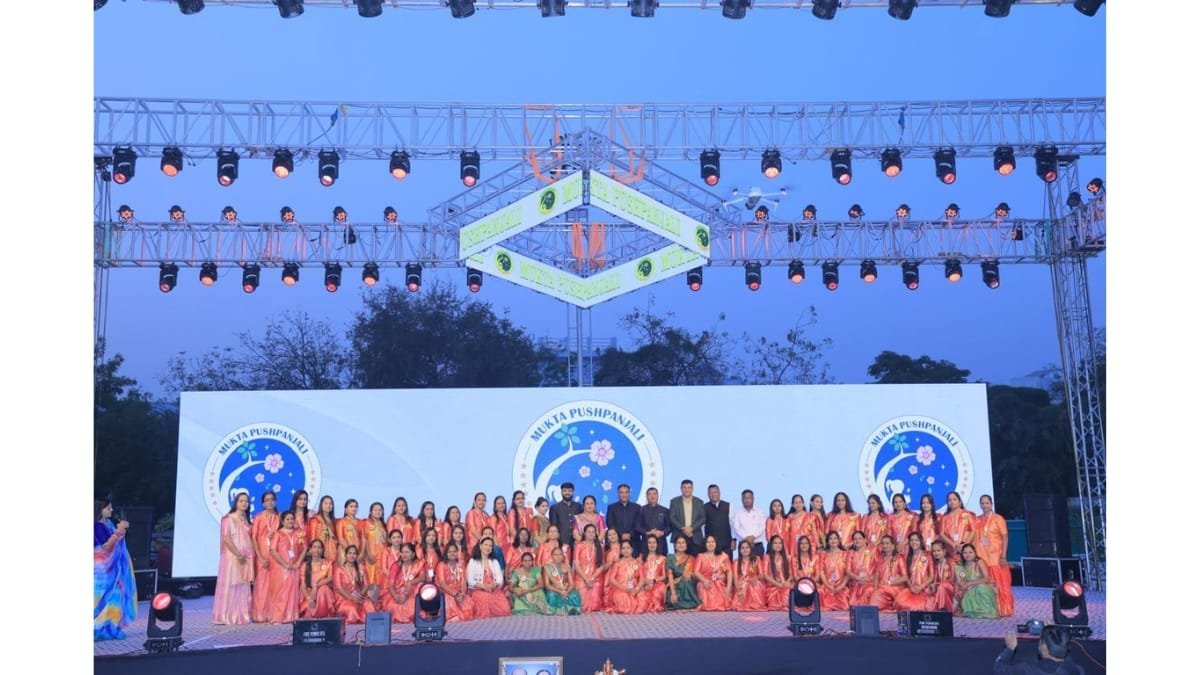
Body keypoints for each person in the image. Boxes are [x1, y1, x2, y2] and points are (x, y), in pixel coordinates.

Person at [94, 499, 136, 640]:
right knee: (102, 596)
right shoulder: (97, 526)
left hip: (114, 569)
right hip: (102, 569)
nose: (111, 510)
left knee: (116, 595)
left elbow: (117, 541)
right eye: (108, 508)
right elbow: (106, 547)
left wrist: (121, 530)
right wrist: (118, 531)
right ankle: (98, 627)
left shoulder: (109, 524)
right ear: (100, 510)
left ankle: (110, 626)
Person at [213, 493, 255, 625]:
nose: (244, 503)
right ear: (236, 503)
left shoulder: (246, 520)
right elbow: (226, 539)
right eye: (241, 501)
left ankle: (241, 615)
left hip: (245, 557)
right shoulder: (229, 519)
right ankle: (227, 615)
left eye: (246, 501)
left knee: (243, 584)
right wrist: (238, 554)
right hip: (232, 557)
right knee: (231, 584)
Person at [976, 494, 1015, 617]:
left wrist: (1003, 556)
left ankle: (1003, 609)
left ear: (991, 504)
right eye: (982, 503)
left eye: (987, 503)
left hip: (996, 557)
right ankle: (987, 608)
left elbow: (1005, 537)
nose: (984, 505)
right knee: (985, 584)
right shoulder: (977, 519)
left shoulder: (998, 519)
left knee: (1000, 584)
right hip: (982, 557)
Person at [993, 627, 1085, 675]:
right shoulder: (1078, 670)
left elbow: (999, 669)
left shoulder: (1026, 669)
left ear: (1044, 648)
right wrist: (1056, 638)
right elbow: (1067, 660)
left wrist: (1009, 649)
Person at [267, 511, 305, 623]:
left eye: (292, 519)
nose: (290, 521)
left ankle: (291, 616)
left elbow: (305, 548)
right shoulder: (278, 534)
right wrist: (285, 564)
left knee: (293, 592)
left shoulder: (299, 533)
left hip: (295, 566)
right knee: (280, 592)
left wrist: (298, 562)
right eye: (287, 519)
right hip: (281, 568)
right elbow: (273, 551)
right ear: (282, 521)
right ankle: (278, 617)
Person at [466, 537, 511, 618]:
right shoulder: (473, 561)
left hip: (493, 589)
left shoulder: (495, 561)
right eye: (486, 545)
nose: (488, 547)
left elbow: (500, 579)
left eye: (490, 546)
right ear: (480, 546)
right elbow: (470, 580)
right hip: (479, 589)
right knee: (485, 599)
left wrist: (494, 585)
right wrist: (483, 586)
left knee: (505, 608)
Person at [333, 545, 378, 624]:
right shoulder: (339, 570)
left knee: (370, 607)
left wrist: (360, 595)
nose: (352, 555)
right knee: (352, 610)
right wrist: (352, 598)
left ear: (357, 556)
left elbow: (366, 585)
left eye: (354, 553)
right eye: (349, 553)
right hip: (345, 598)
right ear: (345, 555)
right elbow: (339, 589)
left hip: (359, 596)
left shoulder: (361, 568)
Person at [895, 533, 937, 612]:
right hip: (912, 589)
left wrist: (921, 587)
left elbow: (932, 576)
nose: (914, 542)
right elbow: (906, 576)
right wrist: (911, 587)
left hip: (924, 589)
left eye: (916, 540)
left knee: (918, 608)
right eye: (912, 540)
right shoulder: (908, 557)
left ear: (921, 541)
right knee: (901, 604)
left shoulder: (927, 555)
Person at [955, 543, 999, 618]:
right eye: (965, 552)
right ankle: (972, 611)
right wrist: (965, 585)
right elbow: (961, 580)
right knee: (963, 593)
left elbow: (987, 578)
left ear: (975, 553)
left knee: (981, 588)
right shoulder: (960, 565)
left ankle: (987, 612)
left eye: (970, 552)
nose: (967, 555)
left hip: (982, 585)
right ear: (962, 554)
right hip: (968, 589)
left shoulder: (979, 562)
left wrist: (971, 583)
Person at [434, 543, 474, 622]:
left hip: (459, 593)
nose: (452, 553)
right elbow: (442, 584)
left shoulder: (460, 564)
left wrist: (463, 593)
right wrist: (455, 594)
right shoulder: (441, 565)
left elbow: (463, 581)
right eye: (450, 552)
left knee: (467, 603)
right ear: (446, 553)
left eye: (454, 551)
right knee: (450, 600)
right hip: (446, 592)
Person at [385, 543, 423, 623]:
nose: (404, 555)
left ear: (413, 554)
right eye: (402, 552)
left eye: (407, 552)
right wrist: (396, 596)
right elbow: (391, 585)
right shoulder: (396, 566)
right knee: (393, 606)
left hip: (412, 592)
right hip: (397, 592)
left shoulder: (418, 564)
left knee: (413, 604)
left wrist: (411, 582)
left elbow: (423, 577)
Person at [694, 534, 732, 611]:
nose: (710, 544)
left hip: (719, 582)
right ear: (705, 544)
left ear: (716, 543)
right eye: (708, 542)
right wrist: (704, 580)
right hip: (705, 582)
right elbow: (696, 571)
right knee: (701, 585)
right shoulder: (700, 556)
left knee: (719, 585)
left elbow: (729, 572)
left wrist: (729, 587)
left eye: (712, 542)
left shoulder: (723, 556)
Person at [869, 535, 907, 611]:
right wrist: (875, 588)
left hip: (895, 587)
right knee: (871, 590)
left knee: (878, 593)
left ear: (893, 546)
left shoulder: (899, 558)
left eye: (887, 543)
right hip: (882, 587)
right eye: (883, 543)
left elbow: (905, 578)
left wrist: (890, 583)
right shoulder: (880, 558)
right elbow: (877, 575)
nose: (885, 545)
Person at [573, 524, 605, 612]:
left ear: (595, 534)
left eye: (593, 532)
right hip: (581, 577)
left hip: (595, 577)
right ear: (585, 533)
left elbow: (601, 566)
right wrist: (586, 578)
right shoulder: (579, 546)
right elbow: (576, 564)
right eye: (589, 532)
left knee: (595, 605)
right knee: (582, 604)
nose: (591, 534)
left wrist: (592, 578)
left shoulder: (599, 546)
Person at [606, 541, 646, 614]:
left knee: (642, 596)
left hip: (634, 589)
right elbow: (612, 579)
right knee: (623, 598)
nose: (626, 550)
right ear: (621, 551)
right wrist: (624, 588)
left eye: (628, 548)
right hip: (620, 589)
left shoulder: (637, 563)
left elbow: (642, 579)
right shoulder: (617, 564)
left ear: (632, 550)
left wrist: (636, 589)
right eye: (623, 548)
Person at [542, 546, 583, 616]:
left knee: (575, 594)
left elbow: (572, 584)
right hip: (554, 589)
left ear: (563, 556)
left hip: (565, 589)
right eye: (555, 555)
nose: (558, 557)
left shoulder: (567, 566)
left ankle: (571, 609)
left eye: (560, 554)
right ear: (552, 556)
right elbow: (547, 585)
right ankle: (556, 611)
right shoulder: (547, 567)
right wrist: (560, 591)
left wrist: (566, 592)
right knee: (551, 596)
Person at [669, 480, 707, 554]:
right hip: (679, 536)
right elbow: (672, 517)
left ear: (692, 489)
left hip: (695, 536)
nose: (687, 490)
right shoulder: (674, 501)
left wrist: (691, 528)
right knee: (679, 560)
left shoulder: (699, 502)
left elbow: (703, 518)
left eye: (689, 487)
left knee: (696, 560)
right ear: (681, 489)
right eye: (684, 487)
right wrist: (683, 528)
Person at [300, 539, 335, 618]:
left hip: (324, 592)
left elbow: (330, 578)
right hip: (310, 592)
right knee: (309, 606)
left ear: (322, 550)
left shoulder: (328, 563)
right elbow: (303, 585)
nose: (317, 549)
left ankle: (324, 614)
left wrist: (316, 586)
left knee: (324, 589)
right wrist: (308, 598)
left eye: (319, 547)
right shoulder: (305, 565)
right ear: (310, 550)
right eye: (314, 547)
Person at [665, 534, 701, 610]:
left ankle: (692, 604)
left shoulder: (691, 558)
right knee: (673, 599)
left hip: (687, 583)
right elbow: (670, 575)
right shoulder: (670, 557)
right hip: (674, 585)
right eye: (678, 543)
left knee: (686, 580)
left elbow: (695, 575)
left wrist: (690, 574)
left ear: (686, 545)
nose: (681, 545)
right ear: (675, 545)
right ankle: (688, 604)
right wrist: (673, 593)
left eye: (683, 543)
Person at [815, 531, 849, 611]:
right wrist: (828, 585)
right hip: (827, 586)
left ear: (839, 540)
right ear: (827, 541)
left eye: (835, 538)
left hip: (841, 586)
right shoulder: (823, 554)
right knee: (821, 595)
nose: (833, 541)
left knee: (844, 603)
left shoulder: (845, 554)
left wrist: (841, 586)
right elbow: (821, 571)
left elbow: (848, 573)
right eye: (830, 539)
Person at [360, 502, 389, 589]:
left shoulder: (384, 525)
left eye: (380, 510)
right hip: (371, 555)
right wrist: (368, 553)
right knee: (371, 579)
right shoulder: (367, 523)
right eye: (375, 510)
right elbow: (364, 539)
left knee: (381, 579)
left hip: (382, 556)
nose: (378, 512)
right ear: (371, 512)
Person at [732, 539, 767, 611]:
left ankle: (755, 604)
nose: (745, 550)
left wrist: (756, 577)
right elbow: (735, 578)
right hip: (741, 584)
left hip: (752, 581)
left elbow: (762, 575)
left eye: (747, 547)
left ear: (750, 549)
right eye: (742, 548)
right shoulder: (736, 561)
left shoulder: (755, 559)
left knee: (756, 584)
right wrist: (738, 590)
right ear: (739, 550)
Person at [606, 484, 642, 555]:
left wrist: (629, 534)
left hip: (634, 542)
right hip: (617, 542)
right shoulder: (612, 508)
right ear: (618, 494)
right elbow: (610, 524)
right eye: (621, 492)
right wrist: (621, 534)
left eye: (626, 492)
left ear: (629, 493)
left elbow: (639, 524)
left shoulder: (637, 508)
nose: (624, 495)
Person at [940, 491, 976, 558]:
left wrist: (965, 545)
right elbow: (942, 534)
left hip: (966, 551)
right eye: (949, 500)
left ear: (960, 501)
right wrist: (953, 545)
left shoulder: (967, 514)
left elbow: (973, 531)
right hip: (951, 550)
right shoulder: (945, 518)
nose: (952, 502)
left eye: (954, 499)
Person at [730, 489, 767, 556]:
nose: (747, 500)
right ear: (742, 499)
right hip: (743, 546)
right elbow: (736, 528)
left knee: (759, 563)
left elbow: (762, 527)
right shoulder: (737, 513)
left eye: (749, 498)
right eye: (745, 498)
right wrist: (746, 538)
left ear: (753, 499)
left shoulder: (759, 512)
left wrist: (753, 536)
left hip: (757, 545)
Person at [846, 531, 877, 607]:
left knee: (868, 590)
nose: (857, 541)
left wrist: (870, 579)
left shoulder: (873, 551)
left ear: (865, 540)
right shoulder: (850, 553)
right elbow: (848, 571)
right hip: (856, 583)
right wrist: (858, 578)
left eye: (860, 538)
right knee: (852, 602)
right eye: (855, 539)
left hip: (870, 582)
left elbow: (878, 568)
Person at [763, 534, 792, 611]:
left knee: (789, 591)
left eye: (780, 543)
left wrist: (787, 582)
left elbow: (791, 574)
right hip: (772, 586)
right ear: (771, 545)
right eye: (775, 543)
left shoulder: (787, 557)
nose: (778, 545)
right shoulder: (767, 557)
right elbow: (765, 575)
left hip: (785, 584)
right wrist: (779, 585)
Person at [640, 534, 668, 613]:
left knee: (656, 591)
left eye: (654, 542)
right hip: (644, 583)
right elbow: (639, 574)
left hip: (657, 583)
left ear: (657, 544)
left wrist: (653, 581)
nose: (652, 545)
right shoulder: (641, 558)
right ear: (646, 544)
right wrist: (645, 582)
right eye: (649, 543)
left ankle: (656, 606)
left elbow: (664, 576)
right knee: (641, 595)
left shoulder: (662, 558)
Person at [307, 495, 338, 563]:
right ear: (321, 505)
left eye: (330, 503)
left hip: (333, 552)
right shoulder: (315, 520)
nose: (328, 505)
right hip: (319, 553)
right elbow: (312, 538)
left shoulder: (334, 521)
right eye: (326, 503)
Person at [704, 485, 733, 555]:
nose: (713, 494)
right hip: (711, 547)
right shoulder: (704, 507)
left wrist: (734, 540)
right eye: (711, 493)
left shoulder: (728, 506)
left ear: (719, 493)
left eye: (715, 492)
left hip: (726, 545)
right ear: (708, 494)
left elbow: (732, 525)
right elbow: (702, 527)